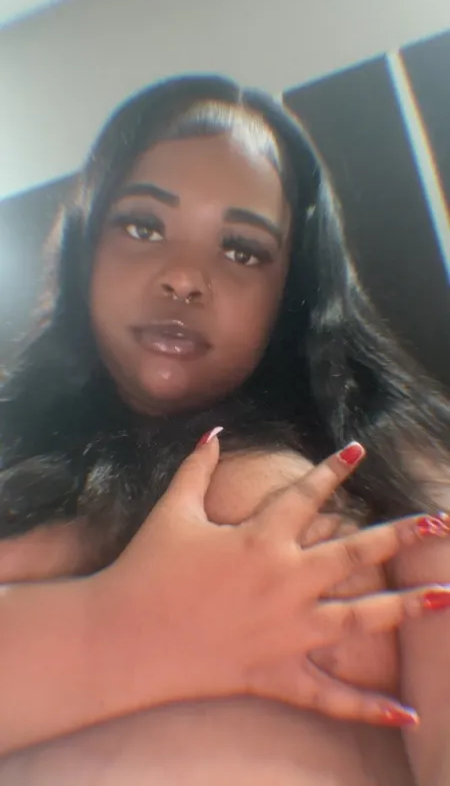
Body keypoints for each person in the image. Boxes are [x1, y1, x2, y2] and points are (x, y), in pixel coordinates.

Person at [0, 74, 449, 784]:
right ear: (86, 245)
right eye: (143, 226)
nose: (184, 277)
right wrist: (134, 627)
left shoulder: (392, 461)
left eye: (242, 249)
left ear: (292, 289)